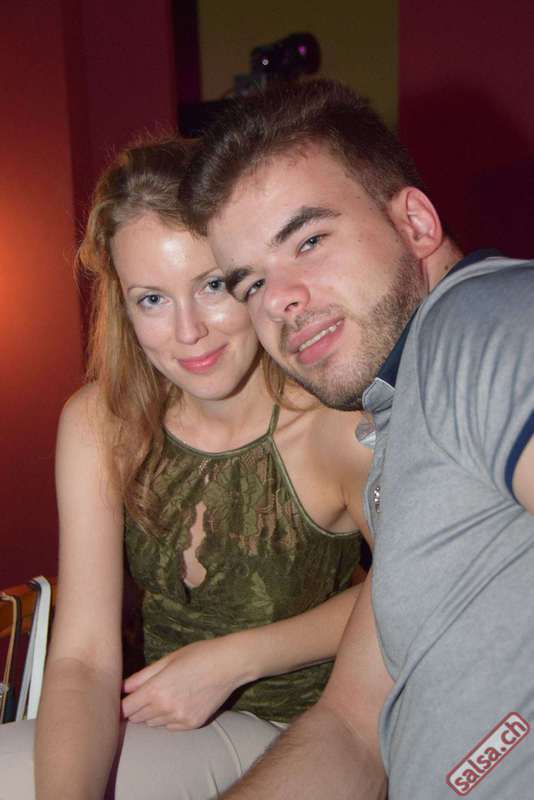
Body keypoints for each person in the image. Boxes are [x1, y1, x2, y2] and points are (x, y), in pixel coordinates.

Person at [180, 79, 534, 798]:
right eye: (251, 285)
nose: (279, 300)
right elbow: (349, 728)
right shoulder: (400, 427)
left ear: (415, 223)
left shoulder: (483, 322)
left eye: (309, 241)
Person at [0, 138, 372, 799]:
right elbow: (83, 658)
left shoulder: (336, 425)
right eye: (152, 299)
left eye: (211, 286)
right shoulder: (100, 424)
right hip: (165, 728)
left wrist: (235, 659)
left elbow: (419, 590)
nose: (188, 331)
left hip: (316, 728)